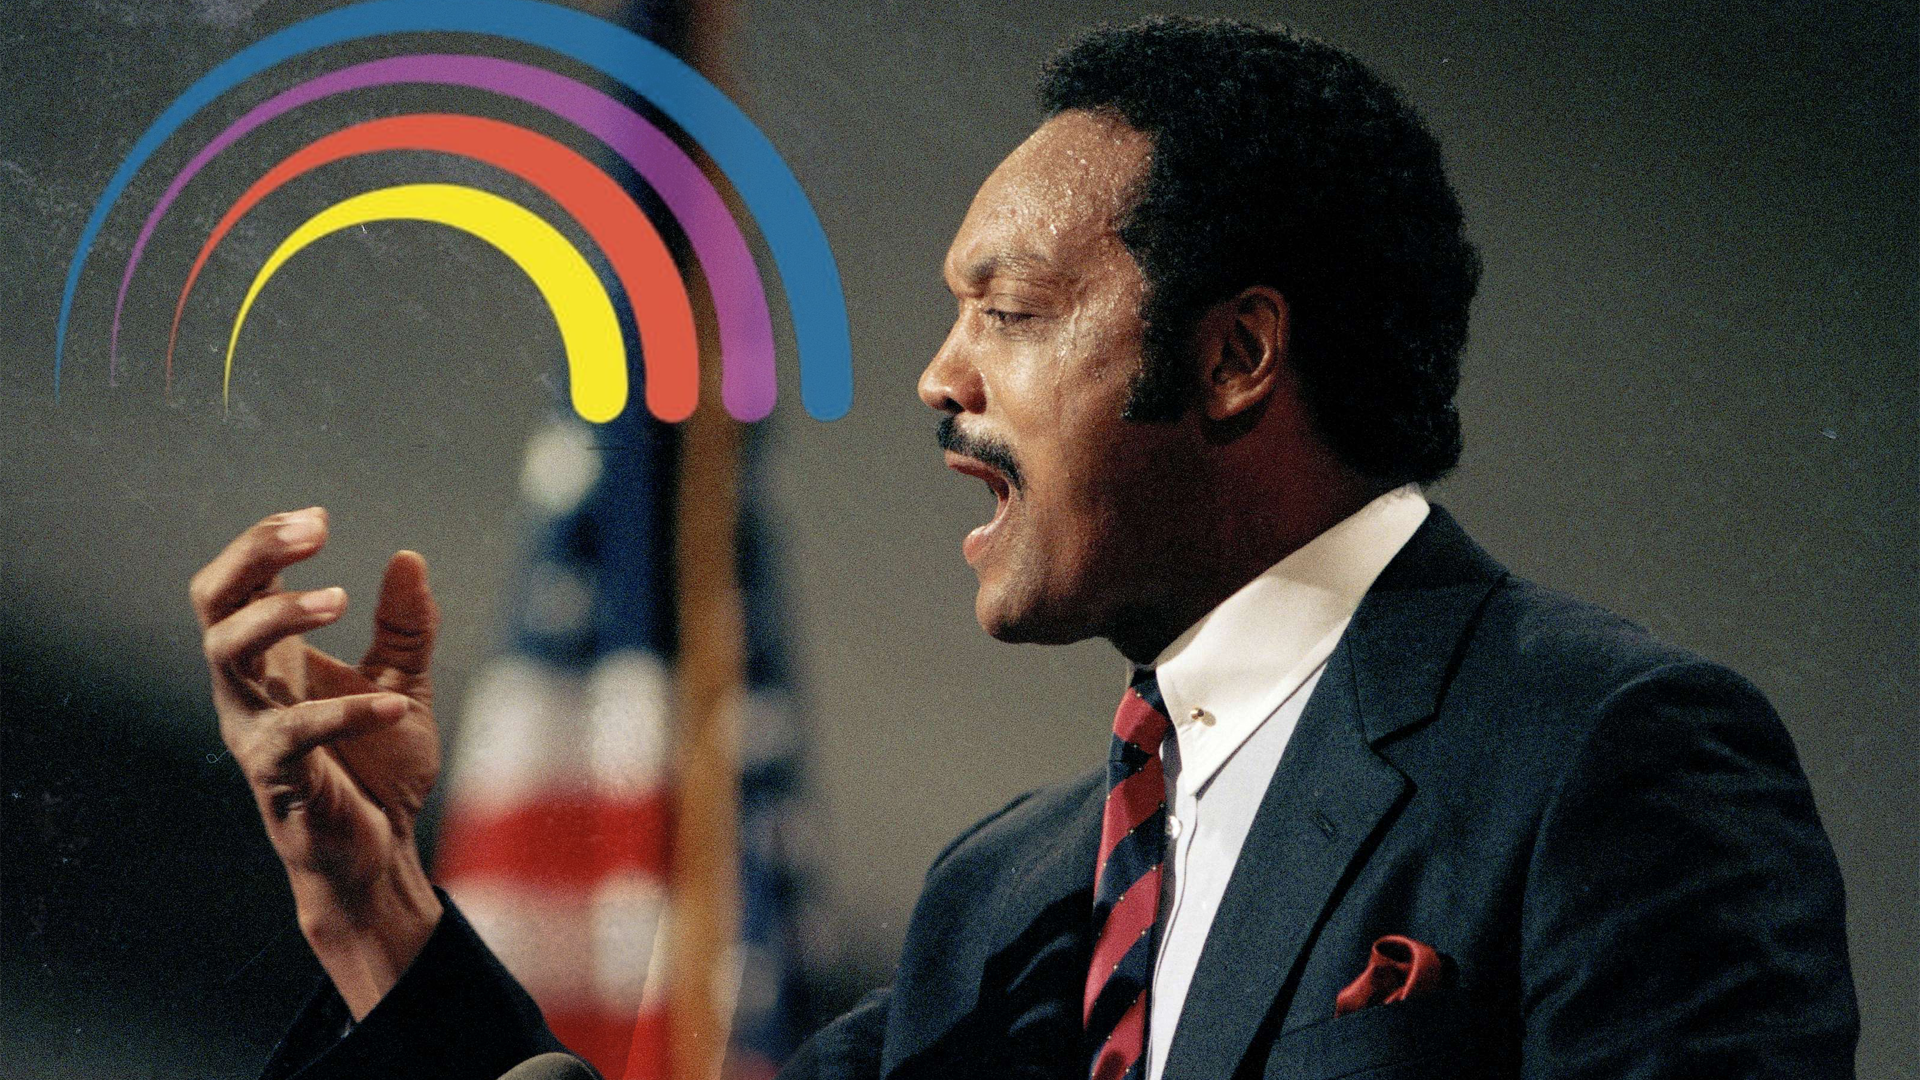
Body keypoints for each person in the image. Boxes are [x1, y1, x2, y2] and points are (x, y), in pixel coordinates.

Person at [193, 17, 1857, 1080]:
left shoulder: (1603, 754)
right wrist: (369, 900)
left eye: (1008, 311)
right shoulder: (1012, 901)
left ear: (1234, 356)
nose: (938, 376)